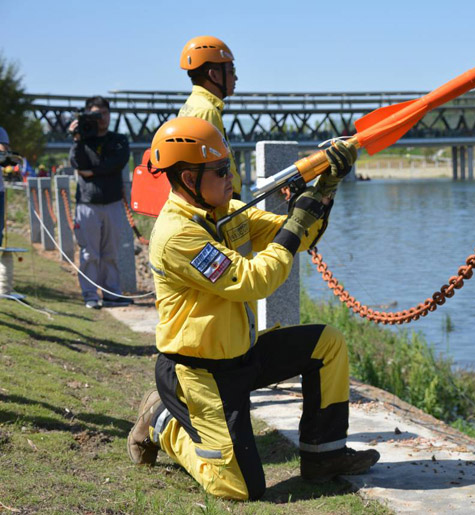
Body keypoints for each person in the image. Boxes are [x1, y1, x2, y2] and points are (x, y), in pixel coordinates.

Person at [127, 117, 378, 500]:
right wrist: (296, 224)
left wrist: (326, 186)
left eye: (231, 167)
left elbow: (297, 234)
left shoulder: (227, 211)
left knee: (328, 343)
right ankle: (165, 423)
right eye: (222, 170)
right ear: (189, 179)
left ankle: (323, 456)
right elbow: (253, 279)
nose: (232, 177)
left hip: (242, 354)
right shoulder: (178, 235)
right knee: (238, 488)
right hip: (200, 371)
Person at [68, 96, 131, 309]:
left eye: (104, 113)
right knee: (89, 253)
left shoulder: (119, 139)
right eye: (96, 114)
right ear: (87, 115)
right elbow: (76, 163)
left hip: (112, 202)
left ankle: (112, 293)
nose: (101, 118)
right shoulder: (83, 139)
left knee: (111, 252)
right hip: (87, 204)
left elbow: (117, 163)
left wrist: (93, 171)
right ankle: (90, 295)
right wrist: (76, 138)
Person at [177, 36, 242, 200]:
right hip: (219, 201)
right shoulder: (207, 111)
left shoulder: (192, 105)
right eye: (231, 71)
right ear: (214, 75)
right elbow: (213, 167)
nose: (236, 78)